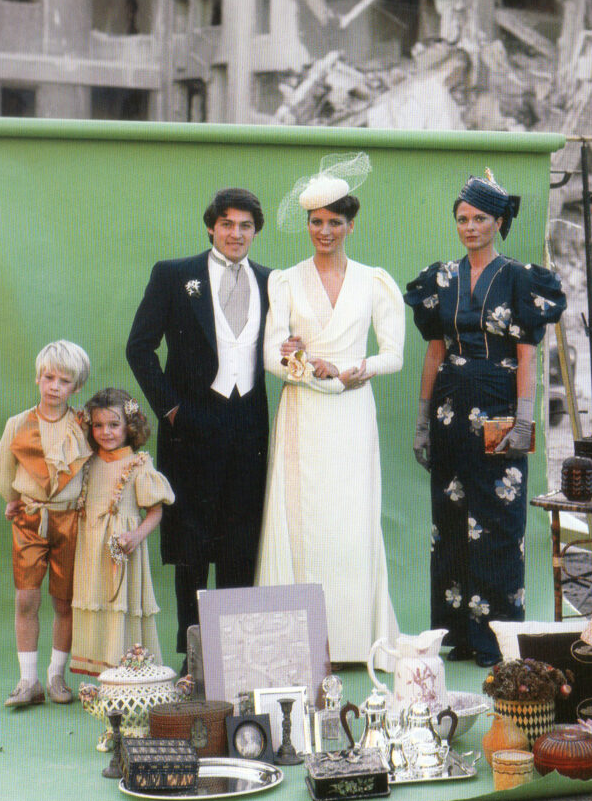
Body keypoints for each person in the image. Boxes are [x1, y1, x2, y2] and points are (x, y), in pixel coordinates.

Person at [404, 170, 566, 666]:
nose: (470, 227)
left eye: (479, 219)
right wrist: (422, 421)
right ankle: (457, 631)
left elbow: (528, 355)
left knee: (498, 521)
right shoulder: (440, 278)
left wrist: (524, 421)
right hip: (450, 408)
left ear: (498, 222)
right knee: (451, 520)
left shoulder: (520, 278)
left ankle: (496, 639)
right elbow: (435, 352)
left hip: (500, 407)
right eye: (462, 219)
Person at [255, 154, 403, 666]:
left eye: (334, 222)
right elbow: (272, 354)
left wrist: (352, 371)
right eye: (316, 222)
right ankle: (301, 643)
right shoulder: (285, 281)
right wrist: (304, 366)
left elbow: (393, 354)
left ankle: (354, 640)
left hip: (352, 414)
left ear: (350, 225)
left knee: (351, 521)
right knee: (303, 520)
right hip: (303, 413)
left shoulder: (374, 281)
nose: (325, 231)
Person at [127, 187, 271, 658]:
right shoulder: (174, 275)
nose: (236, 233)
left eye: (245, 226)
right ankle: (194, 653)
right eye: (227, 224)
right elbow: (139, 347)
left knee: (240, 542)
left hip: (248, 427)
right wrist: (171, 410)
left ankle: (235, 653)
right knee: (190, 544)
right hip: (189, 427)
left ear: (255, 231)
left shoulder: (272, 281)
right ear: (211, 227)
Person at [0, 340, 92, 707]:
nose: (54, 386)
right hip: (30, 520)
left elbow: (91, 469)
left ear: (76, 387)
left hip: (70, 521)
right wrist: (12, 499)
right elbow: (4, 470)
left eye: (64, 381)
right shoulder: (18, 424)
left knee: (64, 602)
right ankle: (28, 679)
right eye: (49, 377)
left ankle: (56, 675)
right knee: (26, 598)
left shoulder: (82, 425)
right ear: (38, 378)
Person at [69, 388, 173, 675]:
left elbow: (155, 512)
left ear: (130, 425)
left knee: (120, 603)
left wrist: (135, 537)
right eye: (98, 425)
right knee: (95, 599)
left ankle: (127, 670)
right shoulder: (88, 462)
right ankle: (100, 670)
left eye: (114, 425)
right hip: (90, 547)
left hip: (123, 547)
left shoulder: (138, 464)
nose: (106, 432)